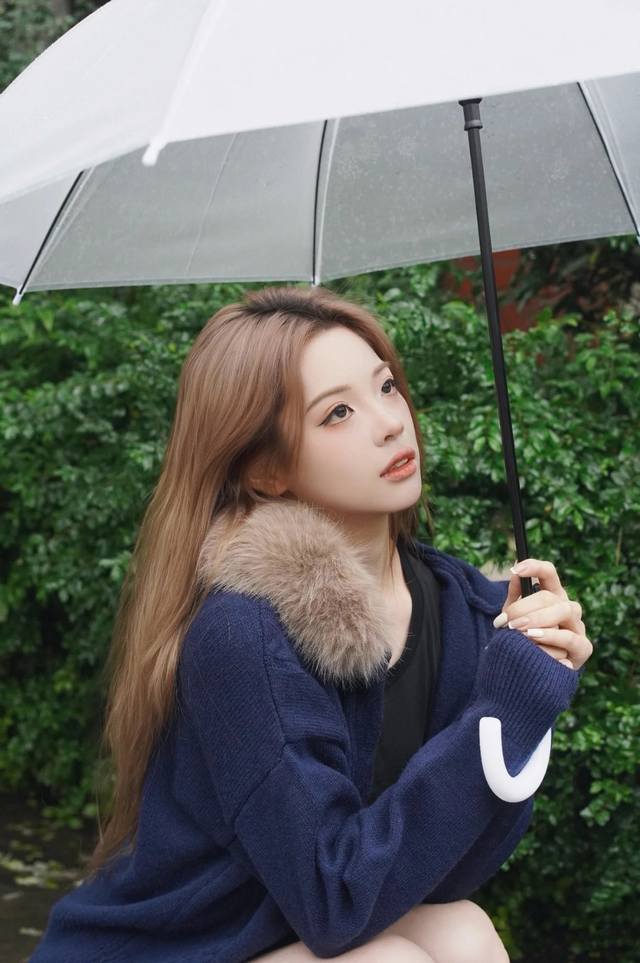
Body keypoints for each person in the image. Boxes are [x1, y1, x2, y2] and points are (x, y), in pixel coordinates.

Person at [30, 285, 592, 963]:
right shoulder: (243, 635)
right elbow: (334, 898)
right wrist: (495, 718)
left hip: (297, 939)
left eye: (387, 387)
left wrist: (525, 697)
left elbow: (443, 874)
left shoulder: (463, 608)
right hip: (174, 950)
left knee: (464, 930)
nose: (390, 423)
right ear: (267, 470)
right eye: (338, 412)